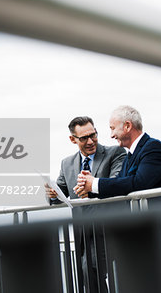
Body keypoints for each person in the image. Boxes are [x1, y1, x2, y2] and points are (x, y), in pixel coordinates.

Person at [46, 116, 125, 293]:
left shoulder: (115, 153)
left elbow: (115, 183)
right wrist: (52, 194)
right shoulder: (67, 163)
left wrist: (91, 188)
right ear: (73, 139)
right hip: (83, 234)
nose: (91, 141)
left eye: (93, 135)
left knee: (93, 271)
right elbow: (62, 193)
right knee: (86, 276)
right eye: (84, 138)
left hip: (109, 228)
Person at [76, 105, 161, 210]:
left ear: (127, 126)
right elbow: (120, 184)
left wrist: (94, 183)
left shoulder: (154, 148)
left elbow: (139, 183)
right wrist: (89, 189)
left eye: (113, 129)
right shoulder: (130, 156)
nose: (112, 135)